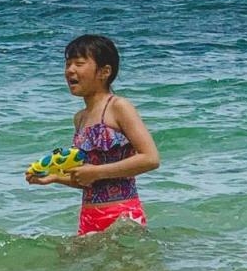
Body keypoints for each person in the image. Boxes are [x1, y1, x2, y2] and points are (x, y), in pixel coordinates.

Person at [26, 34, 159, 235]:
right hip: (88, 217)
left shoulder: (118, 107)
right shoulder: (79, 118)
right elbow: (89, 180)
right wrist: (53, 178)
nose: (70, 70)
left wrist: (96, 172)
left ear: (104, 71)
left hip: (122, 215)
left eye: (79, 63)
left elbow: (150, 159)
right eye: (68, 64)